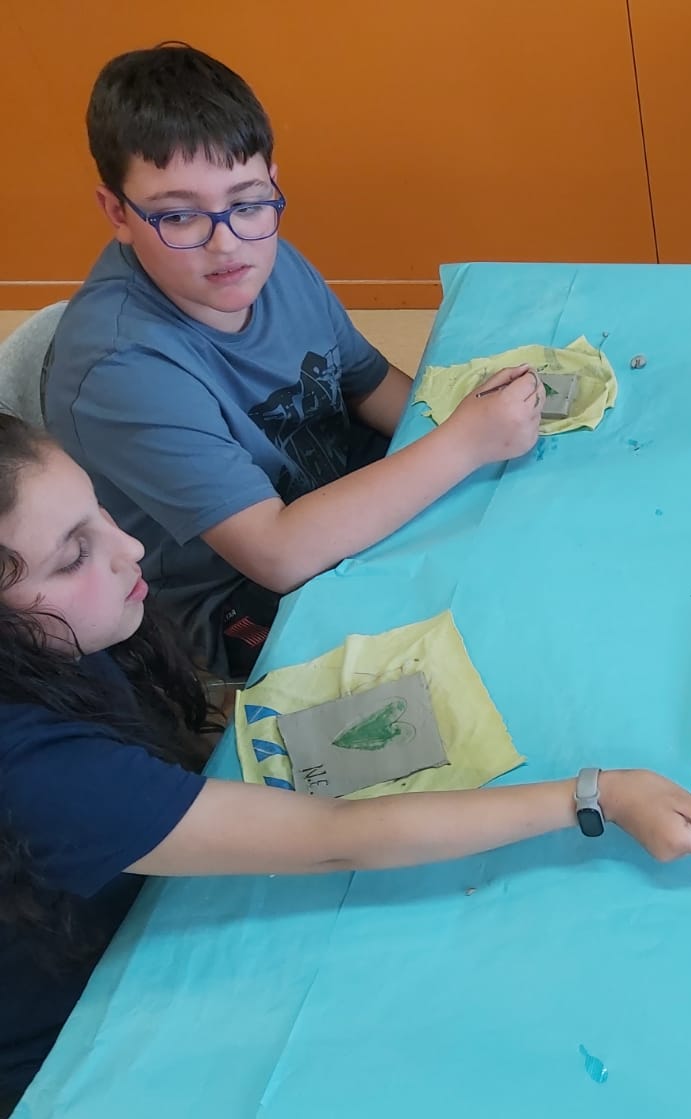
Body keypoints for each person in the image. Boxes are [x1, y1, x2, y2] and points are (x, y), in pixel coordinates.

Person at [0, 415, 691, 1119]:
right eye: (71, 556)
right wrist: (598, 794)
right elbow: (337, 836)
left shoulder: (62, 646)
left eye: (99, 512)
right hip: (68, 1040)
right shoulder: (39, 771)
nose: (130, 547)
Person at [43, 43, 545, 677]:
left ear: (272, 185)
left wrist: (467, 428)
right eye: (179, 215)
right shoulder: (122, 369)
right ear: (118, 212)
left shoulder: (261, 261)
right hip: (239, 597)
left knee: (525, 530)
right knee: (491, 643)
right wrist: (465, 443)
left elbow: (366, 384)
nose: (227, 243)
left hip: (331, 495)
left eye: (248, 202)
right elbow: (276, 554)